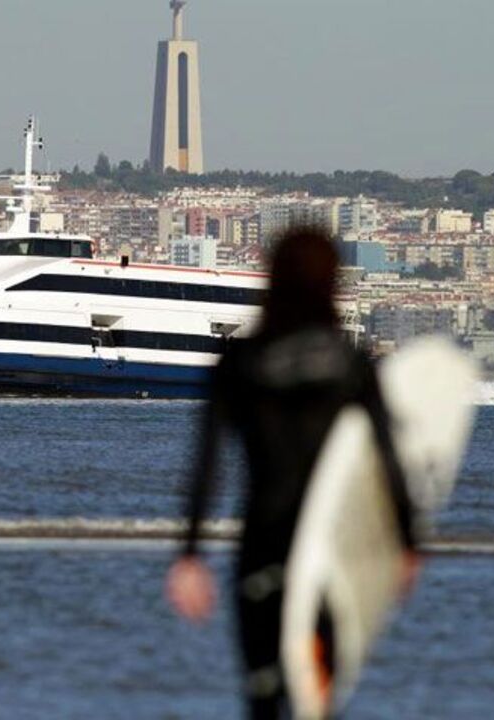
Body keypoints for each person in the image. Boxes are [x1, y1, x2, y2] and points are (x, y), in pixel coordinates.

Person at [166, 225, 419, 719]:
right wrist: (406, 543)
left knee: (263, 692)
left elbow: (207, 465)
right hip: (330, 552)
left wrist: (190, 555)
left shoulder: (240, 360)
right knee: (319, 697)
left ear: (272, 278)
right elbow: (388, 457)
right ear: (333, 283)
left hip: (262, 543)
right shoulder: (350, 363)